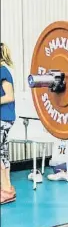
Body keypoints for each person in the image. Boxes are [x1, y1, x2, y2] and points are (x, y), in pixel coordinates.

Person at [1, 42, 16, 205]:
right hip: (4, 118)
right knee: (2, 153)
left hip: (3, 118)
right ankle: (7, 188)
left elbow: (9, 96)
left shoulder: (2, 71)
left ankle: (6, 191)